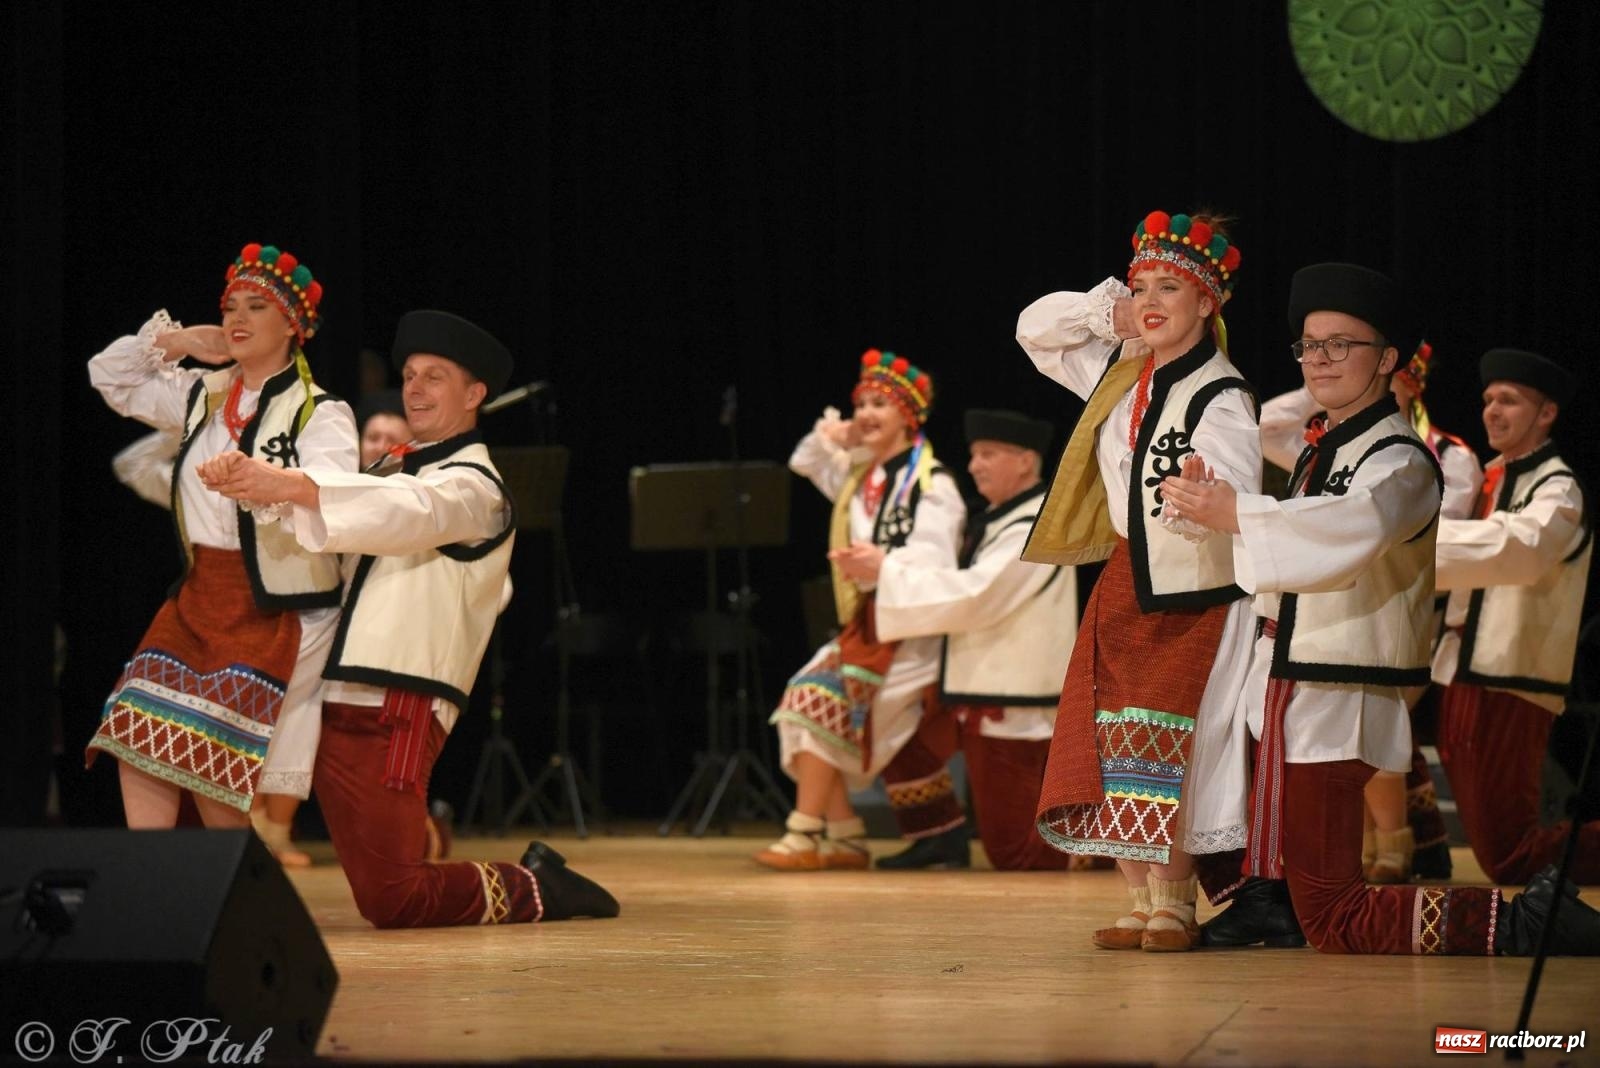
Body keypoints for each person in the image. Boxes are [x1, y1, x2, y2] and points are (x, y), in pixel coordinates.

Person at [1162, 262, 1600, 956]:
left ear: (1389, 359)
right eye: (1310, 344)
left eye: (1343, 344)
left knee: (1336, 917)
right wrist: (1210, 508)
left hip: (1336, 684)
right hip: (1294, 672)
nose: (1321, 359)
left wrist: (1239, 512)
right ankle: (1270, 903)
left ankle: (1524, 923)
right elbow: (1297, 531)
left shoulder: (1399, 458)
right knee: (1286, 867)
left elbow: (1351, 528)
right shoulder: (1328, 447)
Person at [200, 309, 617, 927]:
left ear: (475, 395)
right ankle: (202, 900)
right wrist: (260, 490)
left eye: (435, 377)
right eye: (411, 375)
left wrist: (288, 486)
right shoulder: (395, 469)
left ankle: (534, 886)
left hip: (392, 703)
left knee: (393, 897)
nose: (415, 388)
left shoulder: (475, 487)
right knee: (192, 748)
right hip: (327, 692)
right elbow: (342, 534)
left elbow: (411, 511)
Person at [1016, 211, 1261, 951]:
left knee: (1171, 740)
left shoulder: (1222, 393)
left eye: (1170, 289)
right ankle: (1138, 896)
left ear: (1208, 303)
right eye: (1143, 286)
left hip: (1193, 588)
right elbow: (1034, 329)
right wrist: (1106, 311)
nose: (1151, 301)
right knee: (1109, 738)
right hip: (1126, 576)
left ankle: (1176, 898)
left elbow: (1237, 490)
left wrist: (1200, 491)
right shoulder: (1119, 370)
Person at [87, 243, 354, 839]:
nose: (236, 317)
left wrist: (264, 483)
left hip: (273, 606)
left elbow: (331, 498)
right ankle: (154, 891)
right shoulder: (201, 396)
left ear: (292, 323)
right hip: (199, 595)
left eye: (255, 306)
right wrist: (180, 343)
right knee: (135, 735)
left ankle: (231, 904)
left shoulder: (320, 412)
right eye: (230, 305)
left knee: (214, 767)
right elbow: (107, 375)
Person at [1259, 340, 1482, 882]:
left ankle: (1394, 843)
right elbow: (1268, 428)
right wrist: (1328, 385)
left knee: (1379, 723)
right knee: (1340, 734)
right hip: (1332, 606)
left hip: (1404, 605)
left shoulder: (1441, 454)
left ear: (1409, 379)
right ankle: (1363, 849)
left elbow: (1443, 541)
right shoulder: (1328, 448)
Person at [758, 349, 965, 871]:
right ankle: (846, 834)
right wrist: (840, 437)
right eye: (862, 403)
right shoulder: (861, 480)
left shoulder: (931, 485)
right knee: (799, 705)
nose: (867, 413)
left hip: (911, 632)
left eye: (881, 404)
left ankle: (806, 832)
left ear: (909, 415)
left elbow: (939, 568)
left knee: (812, 700)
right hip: (868, 627)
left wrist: (884, 566)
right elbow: (805, 460)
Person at [858, 408, 1081, 871]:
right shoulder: (1000, 519)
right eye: (974, 455)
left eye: (988, 454)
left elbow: (978, 595)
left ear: (1025, 461)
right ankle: (937, 834)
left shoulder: (1034, 526)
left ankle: (1102, 854)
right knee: (895, 727)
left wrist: (888, 571)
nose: (975, 464)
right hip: (969, 684)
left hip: (1011, 700)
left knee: (1015, 853)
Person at [1429, 348, 1596, 884]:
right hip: (1462, 669)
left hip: (1510, 677)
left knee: (1508, 852)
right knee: (1496, 848)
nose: (1492, 411)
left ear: (1546, 413)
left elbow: (1516, 549)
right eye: (1487, 400)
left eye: (1509, 400)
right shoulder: (1495, 479)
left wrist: (1414, 546)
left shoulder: (1558, 487)